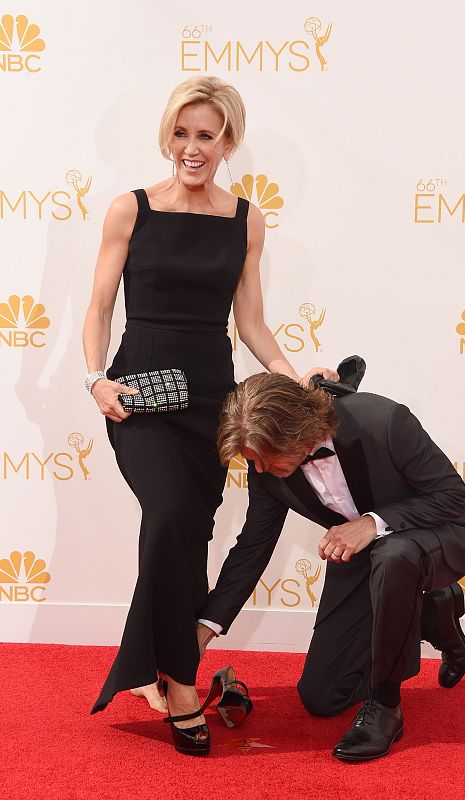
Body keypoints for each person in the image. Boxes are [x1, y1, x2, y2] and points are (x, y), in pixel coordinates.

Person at [82, 76, 337, 755]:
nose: (192, 147)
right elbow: (99, 307)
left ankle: (160, 671)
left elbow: (250, 323)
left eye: (207, 135)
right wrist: (96, 380)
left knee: (190, 532)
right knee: (170, 514)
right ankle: (181, 685)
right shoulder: (130, 210)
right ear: (167, 137)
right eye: (182, 133)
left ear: (229, 142)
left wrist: (293, 376)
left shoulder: (246, 219)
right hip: (140, 393)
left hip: (210, 402)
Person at [197, 371, 465, 762]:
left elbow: (453, 498)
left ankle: (385, 706)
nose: (260, 469)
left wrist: (372, 523)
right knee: (321, 697)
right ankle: (432, 614)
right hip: (364, 553)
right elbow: (252, 547)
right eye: (253, 461)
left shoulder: (383, 420)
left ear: (298, 431)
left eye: (265, 458)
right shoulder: (267, 469)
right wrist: (205, 629)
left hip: (436, 531)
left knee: (394, 554)